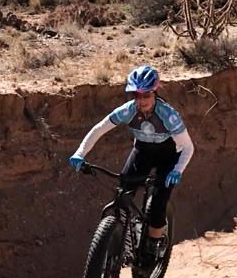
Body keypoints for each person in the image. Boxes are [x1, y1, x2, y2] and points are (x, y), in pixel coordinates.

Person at [69, 64, 193, 262]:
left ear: (155, 92)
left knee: (159, 201)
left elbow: (188, 147)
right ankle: (124, 237)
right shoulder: (128, 110)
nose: (141, 100)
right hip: (143, 151)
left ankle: (154, 243)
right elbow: (99, 129)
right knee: (123, 191)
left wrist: (178, 170)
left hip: (168, 156)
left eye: (146, 95)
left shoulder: (168, 115)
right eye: (137, 95)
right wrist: (80, 153)